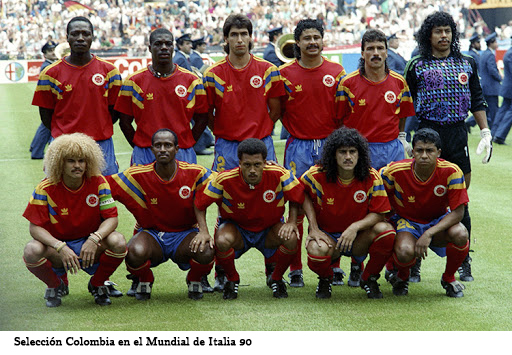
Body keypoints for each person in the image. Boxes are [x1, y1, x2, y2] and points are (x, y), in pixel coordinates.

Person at [404, 11, 492, 283]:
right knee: (418, 199)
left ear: (453, 34)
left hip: (456, 132)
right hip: (427, 131)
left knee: (459, 200)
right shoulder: (417, 64)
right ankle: (413, 261)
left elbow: (477, 98)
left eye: (448, 31)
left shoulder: (467, 62)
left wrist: (485, 131)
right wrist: (400, 136)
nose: (443, 36)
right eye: (438, 31)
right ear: (428, 35)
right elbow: (403, 101)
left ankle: (464, 260)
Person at [106, 129, 215, 301]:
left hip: (185, 234)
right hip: (152, 234)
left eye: (168, 145)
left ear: (177, 149)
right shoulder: (136, 175)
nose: (163, 149)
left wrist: (204, 230)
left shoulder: (196, 173)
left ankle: (194, 279)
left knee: (206, 250)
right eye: (158, 145)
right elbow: (101, 187)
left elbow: (224, 185)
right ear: (151, 150)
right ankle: (145, 279)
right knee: (134, 251)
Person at [279, 18, 346, 288]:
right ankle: (295, 268)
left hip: (330, 143)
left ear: (323, 39)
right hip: (299, 146)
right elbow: (278, 110)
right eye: (306, 38)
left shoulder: (337, 71)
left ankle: (334, 263)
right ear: (298, 43)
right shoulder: (284, 73)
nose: (312, 42)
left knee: (333, 205)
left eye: (316, 37)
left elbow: (343, 112)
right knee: (294, 207)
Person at [22, 133, 127, 307]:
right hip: (57, 248)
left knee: (118, 241)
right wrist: (60, 246)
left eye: (81, 161)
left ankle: (98, 283)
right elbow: (35, 228)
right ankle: (56, 285)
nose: (77, 166)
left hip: (90, 244)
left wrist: (95, 238)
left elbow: (111, 218)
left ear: (88, 162)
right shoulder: (45, 187)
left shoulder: (99, 181)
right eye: (71, 161)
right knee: (31, 250)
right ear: (59, 163)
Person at [194, 138, 305, 299]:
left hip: (269, 230)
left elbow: (298, 197)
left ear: (265, 162)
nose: (252, 170)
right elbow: (199, 204)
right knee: (222, 239)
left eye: (257, 164)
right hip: (238, 230)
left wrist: (292, 221)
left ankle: (276, 278)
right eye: (247, 165)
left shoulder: (279, 174)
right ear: (239, 162)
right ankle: (232, 279)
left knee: (291, 237)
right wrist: (203, 231)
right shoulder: (223, 179)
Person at [302, 128, 395, 299]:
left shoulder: (371, 176)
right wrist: (313, 228)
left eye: (353, 152)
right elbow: (300, 194)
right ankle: (325, 279)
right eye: (342, 152)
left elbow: (379, 213)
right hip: (328, 237)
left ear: (360, 154)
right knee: (315, 250)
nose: (348, 157)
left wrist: (355, 227)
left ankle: (369, 278)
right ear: (333, 154)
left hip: (358, 238)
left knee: (386, 231)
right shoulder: (316, 174)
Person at [381, 128, 470, 298]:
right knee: (405, 250)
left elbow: (458, 213)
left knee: (460, 233)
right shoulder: (393, 171)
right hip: (406, 221)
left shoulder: (452, 171)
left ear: (438, 153)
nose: (423, 155)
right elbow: (377, 196)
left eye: (429, 151)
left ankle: (448, 278)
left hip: (437, 221)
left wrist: (428, 233)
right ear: (412, 151)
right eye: (419, 150)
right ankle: (402, 277)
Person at [32, 16, 122, 176]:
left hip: (100, 144)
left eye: (85, 34)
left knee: (105, 194)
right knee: (59, 195)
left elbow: (114, 111)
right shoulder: (50, 74)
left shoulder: (110, 71)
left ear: (92, 37)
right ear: (67, 37)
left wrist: (97, 127)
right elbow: (45, 114)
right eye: (75, 34)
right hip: (63, 144)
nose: (80, 38)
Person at [203, 14, 285, 173]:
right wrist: (224, 132)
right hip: (227, 146)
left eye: (243, 34)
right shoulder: (212, 74)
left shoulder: (269, 71)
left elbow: (276, 110)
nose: (239, 39)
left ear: (250, 37)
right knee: (225, 193)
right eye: (234, 35)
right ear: (226, 38)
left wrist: (262, 129)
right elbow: (207, 114)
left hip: (261, 143)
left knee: (265, 191)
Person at [115, 28, 209, 165]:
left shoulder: (192, 81)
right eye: (158, 44)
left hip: (181, 152)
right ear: (149, 48)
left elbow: (202, 117)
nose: (164, 48)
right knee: (141, 187)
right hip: (145, 152)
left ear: (173, 47)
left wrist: (188, 142)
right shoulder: (133, 81)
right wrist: (139, 145)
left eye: (168, 44)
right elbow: (124, 121)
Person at [29, 40, 58, 160]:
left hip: (50, 100)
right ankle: (36, 152)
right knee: (46, 128)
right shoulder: (47, 66)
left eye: (53, 50)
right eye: (50, 51)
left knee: (44, 127)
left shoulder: (48, 65)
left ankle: (35, 148)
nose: (53, 53)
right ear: (45, 54)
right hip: (51, 101)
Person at [480, 32, 502, 129]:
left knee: (486, 109)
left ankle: (470, 122)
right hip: (491, 87)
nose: (497, 44)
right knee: (493, 111)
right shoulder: (490, 55)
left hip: (485, 86)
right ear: (491, 43)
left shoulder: (484, 54)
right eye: (495, 42)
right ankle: (494, 131)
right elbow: (492, 70)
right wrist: (500, 78)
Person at [492, 36, 512, 145]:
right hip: (510, 88)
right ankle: (500, 135)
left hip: (508, 88)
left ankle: (495, 133)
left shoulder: (509, 52)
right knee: (509, 112)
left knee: (503, 110)